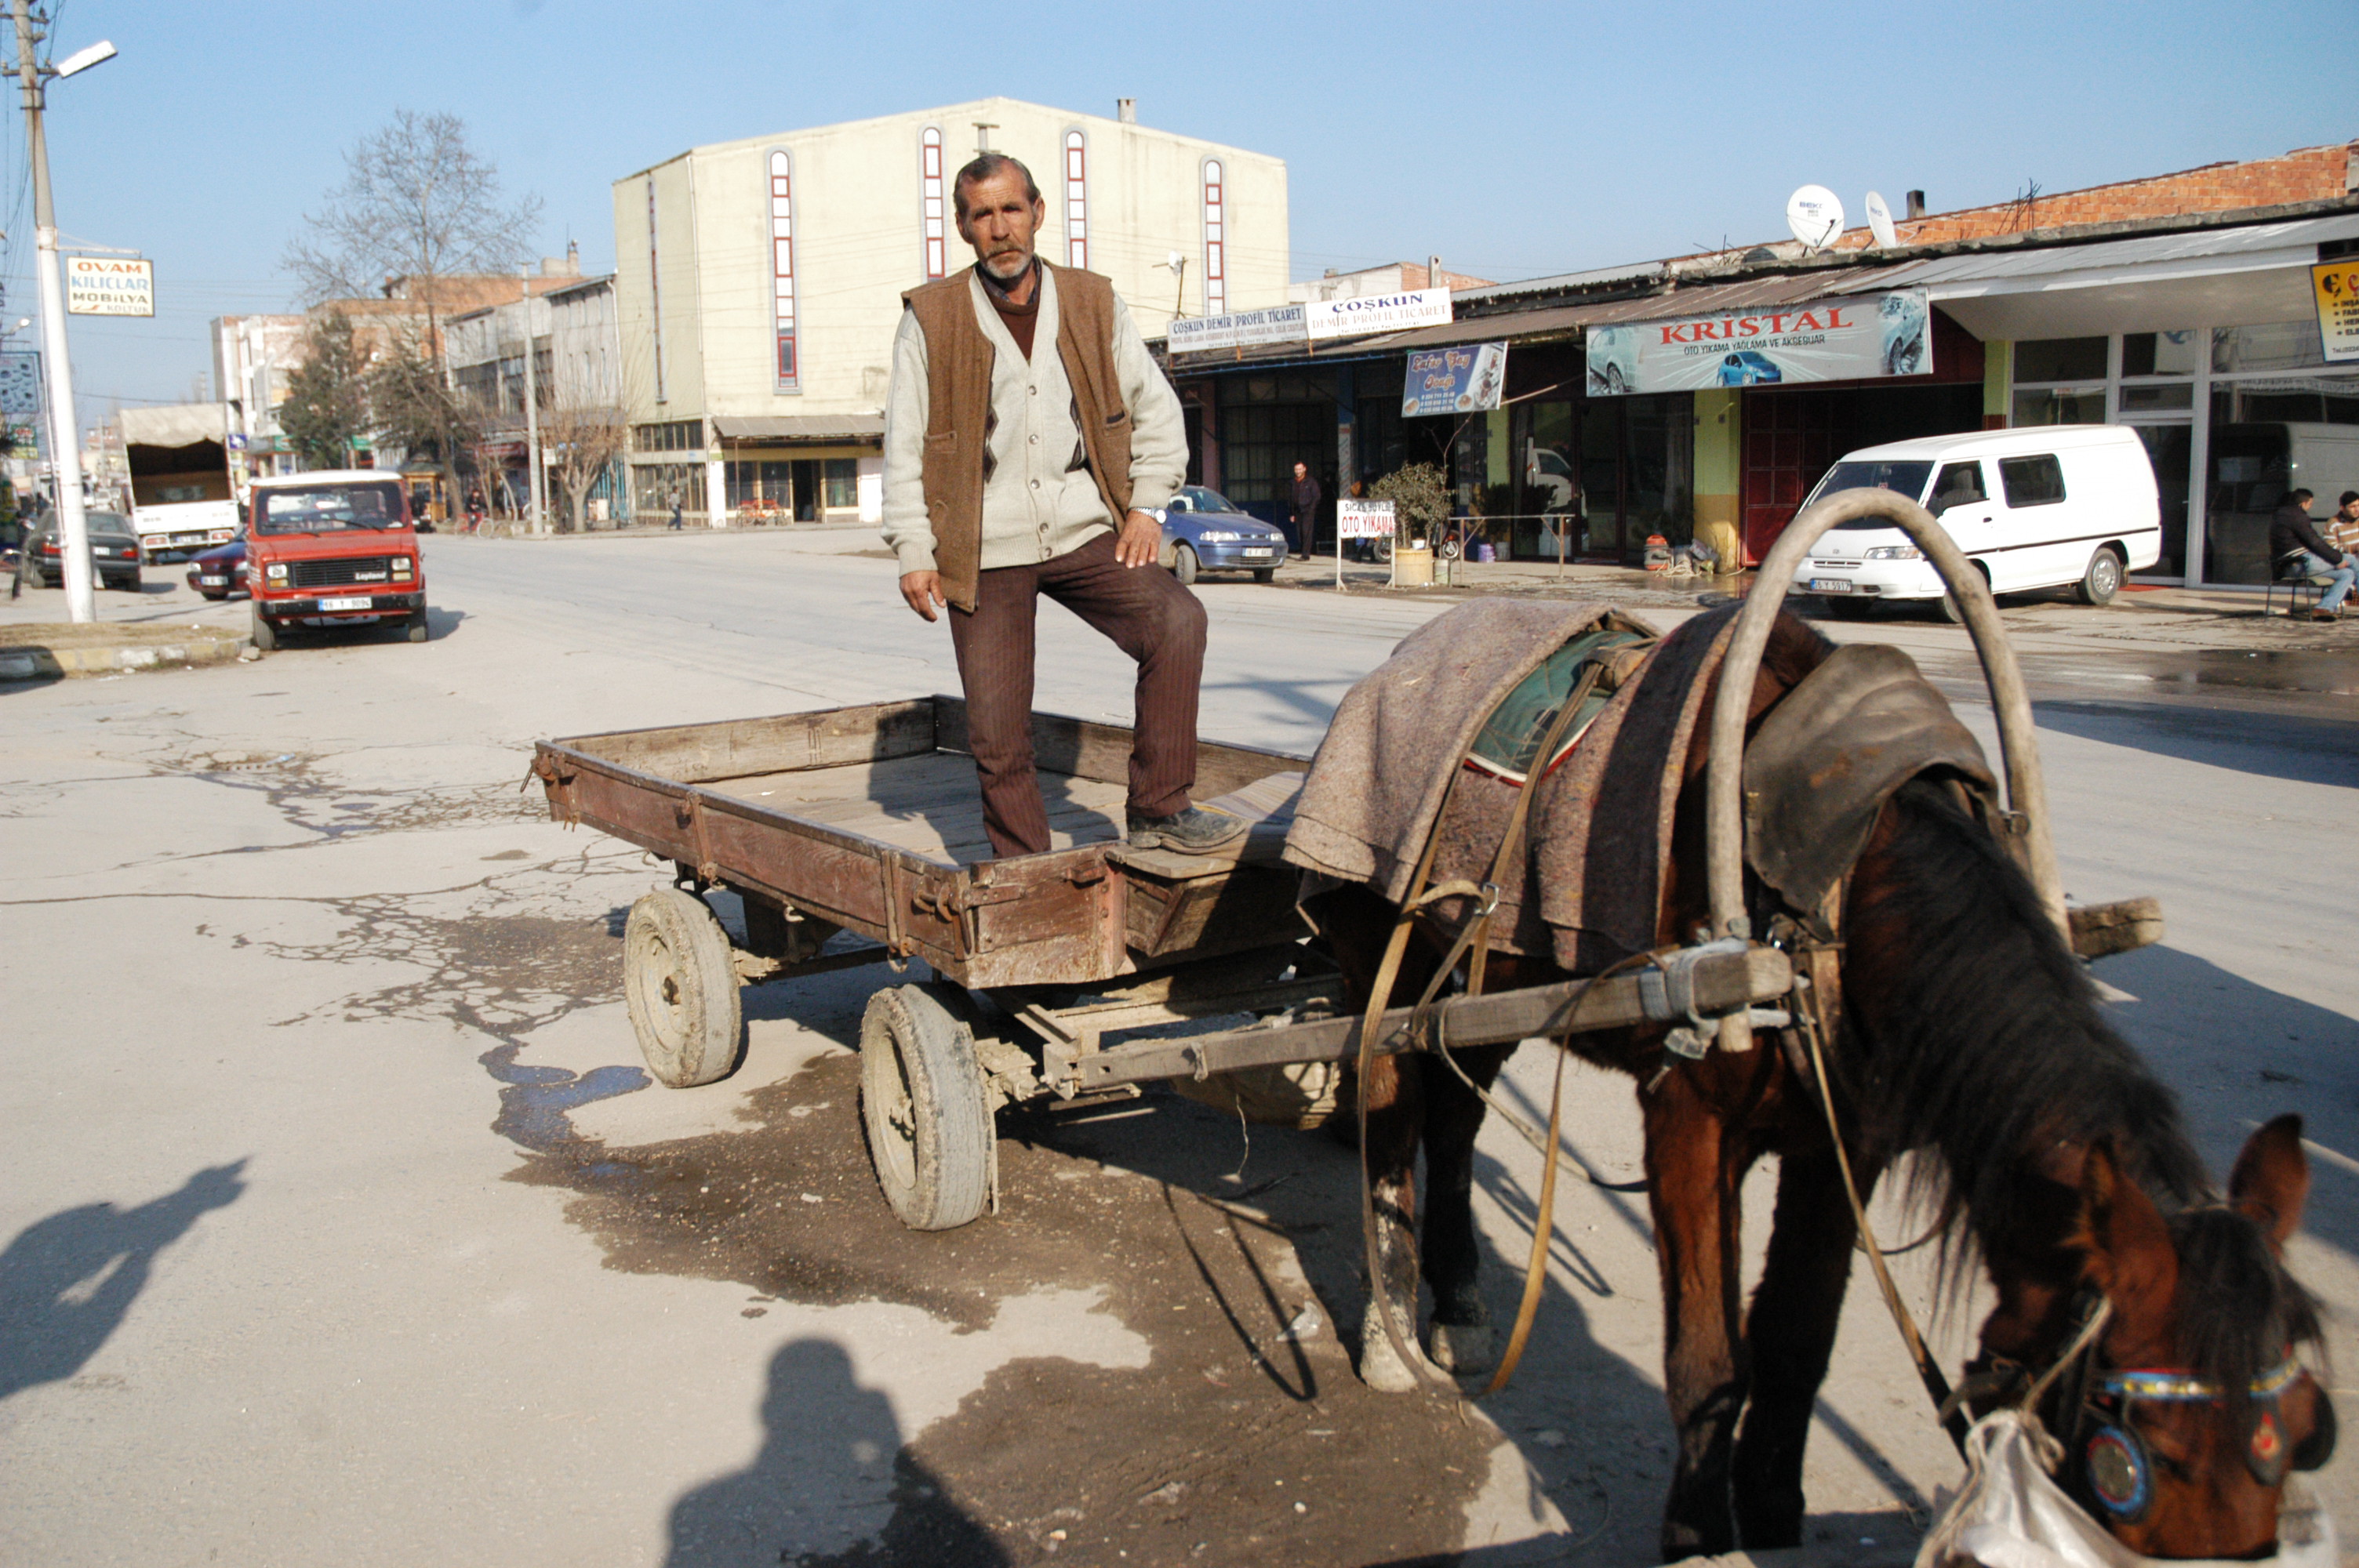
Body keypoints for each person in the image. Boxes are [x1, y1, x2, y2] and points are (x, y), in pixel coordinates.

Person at [881, 153, 1241, 859]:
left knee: (1178, 621)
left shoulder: (1092, 300)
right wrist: (914, 551)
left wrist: (1146, 509)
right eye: (982, 215)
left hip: (1083, 527)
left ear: (1039, 213)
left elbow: (1157, 414)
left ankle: (1161, 808)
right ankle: (1027, 872)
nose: (1000, 228)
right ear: (963, 227)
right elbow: (903, 445)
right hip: (982, 545)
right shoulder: (931, 316)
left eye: (1012, 210)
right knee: (997, 729)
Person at [2268, 488, 2354, 621]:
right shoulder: (2296, 516)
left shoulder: (2283, 516)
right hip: (2298, 564)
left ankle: (2323, 608)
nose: (2310, 507)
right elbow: (2315, 543)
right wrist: (2337, 560)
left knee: (2347, 574)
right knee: (2350, 559)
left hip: (2291, 566)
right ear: (2304, 504)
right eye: (2310, 504)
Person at [1288, 460, 1321, 559]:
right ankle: (1303, 550)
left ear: (1304, 469)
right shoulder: (1292, 482)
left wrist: (1311, 509)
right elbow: (1290, 498)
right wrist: (1292, 513)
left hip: (1307, 511)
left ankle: (1306, 554)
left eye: (1300, 469)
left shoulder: (1311, 482)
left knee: (1306, 532)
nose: (1298, 471)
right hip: (1297, 512)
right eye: (1296, 469)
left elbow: (1317, 496)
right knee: (1299, 533)